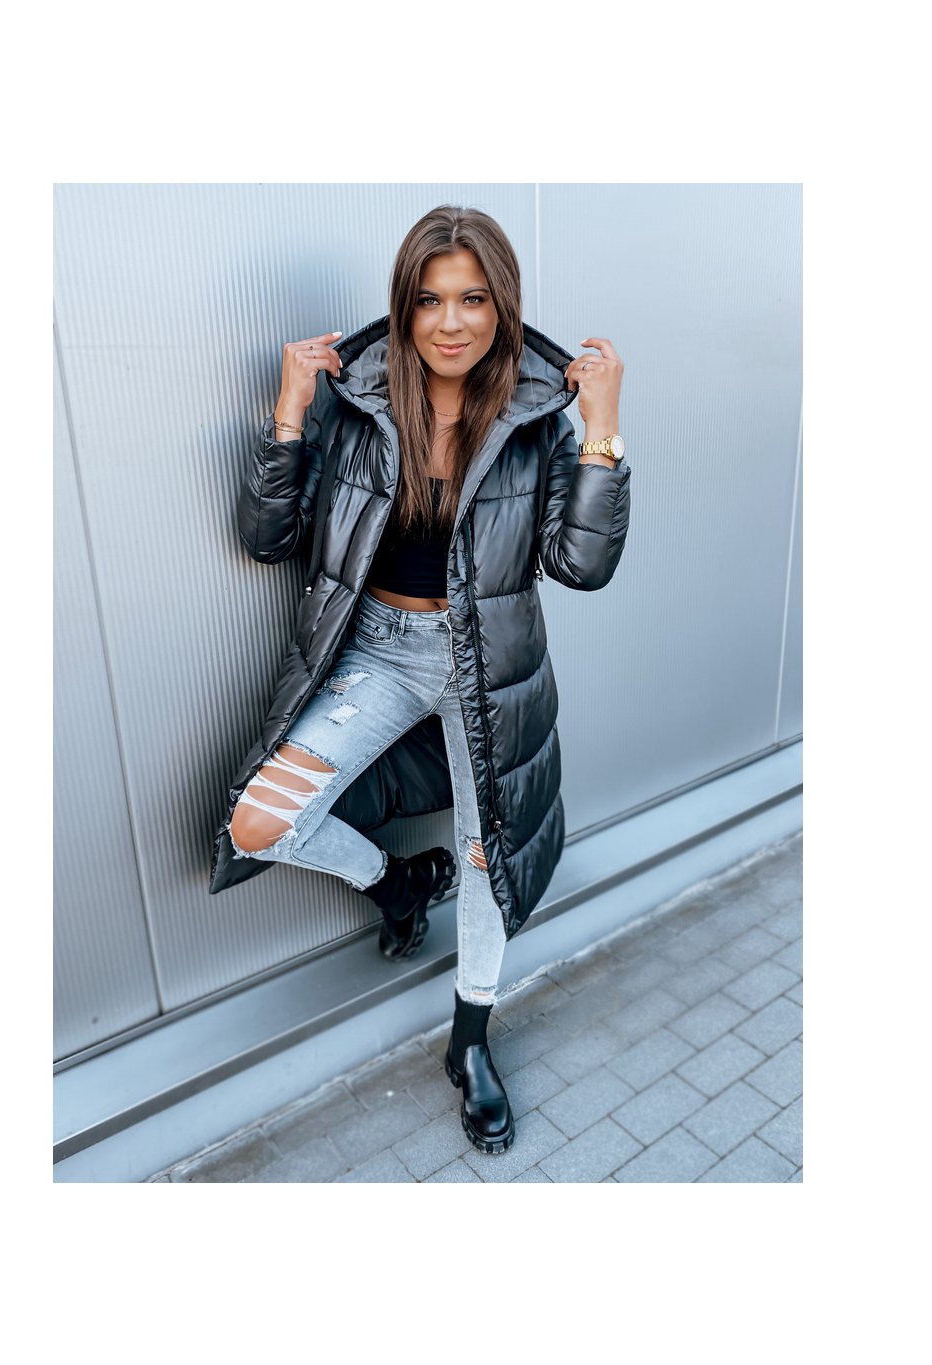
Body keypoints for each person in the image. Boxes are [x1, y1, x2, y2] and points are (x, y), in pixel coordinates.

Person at [209, 204, 632, 1156]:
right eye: (431, 299)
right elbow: (269, 537)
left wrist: (602, 430)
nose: (451, 322)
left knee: (486, 854)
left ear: (501, 306)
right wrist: (288, 411)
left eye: (473, 299)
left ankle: (470, 1038)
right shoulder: (359, 405)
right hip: (378, 653)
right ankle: (398, 880)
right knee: (257, 822)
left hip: (488, 668)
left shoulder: (536, 420)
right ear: (404, 307)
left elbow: (581, 564)